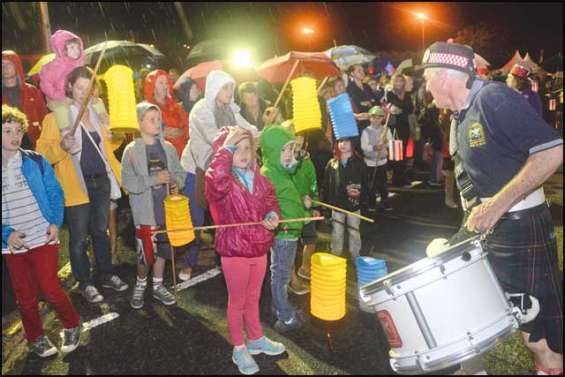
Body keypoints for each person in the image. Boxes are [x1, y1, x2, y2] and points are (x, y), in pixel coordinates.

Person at [421, 40, 563, 376]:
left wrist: (495, 207)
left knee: (539, 339)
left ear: (444, 76)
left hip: (519, 229)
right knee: (472, 317)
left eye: (427, 79)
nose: (426, 88)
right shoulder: (460, 115)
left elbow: (552, 151)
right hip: (488, 232)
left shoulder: (494, 99)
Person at [36, 66, 128, 304]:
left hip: (101, 181)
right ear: (69, 87)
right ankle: (84, 282)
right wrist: (62, 147)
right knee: (78, 238)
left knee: (100, 232)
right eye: (79, 88)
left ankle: (106, 274)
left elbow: (111, 147)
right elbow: (42, 153)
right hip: (76, 185)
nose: (83, 93)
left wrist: (114, 134)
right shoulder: (57, 117)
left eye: (88, 89)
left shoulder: (97, 113)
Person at [2, 105, 81, 357]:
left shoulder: (36, 160)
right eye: (7, 131)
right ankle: (35, 337)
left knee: (49, 288)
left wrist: (55, 222)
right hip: (11, 245)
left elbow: (55, 192)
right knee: (25, 296)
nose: (14, 136)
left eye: (18, 130)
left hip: (43, 235)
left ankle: (72, 323)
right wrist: (6, 233)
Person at [205, 126, 285, 375]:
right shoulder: (223, 181)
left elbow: (270, 200)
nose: (242, 153)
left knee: (253, 297)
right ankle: (238, 347)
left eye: (246, 148)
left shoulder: (258, 178)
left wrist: (272, 216)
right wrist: (226, 148)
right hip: (235, 251)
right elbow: (215, 178)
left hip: (259, 248)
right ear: (225, 152)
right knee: (237, 301)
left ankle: (256, 338)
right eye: (235, 149)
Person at [180, 70, 258, 279]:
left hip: (223, 169)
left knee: (224, 217)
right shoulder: (201, 110)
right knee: (195, 218)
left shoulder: (232, 109)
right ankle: (188, 262)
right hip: (197, 169)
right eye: (225, 87)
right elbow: (216, 138)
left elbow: (248, 128)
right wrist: (242, 136)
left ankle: (224, 258)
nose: (229, 91)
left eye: (231, 87)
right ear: (214, 88)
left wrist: (261, 130)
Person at [121, 102, 187, 308]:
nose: (157, 123)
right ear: (140, 123)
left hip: (166, 210)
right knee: (145, 253)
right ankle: (141, 283)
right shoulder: (131, 151)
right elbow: (128, 183)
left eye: (158, 119)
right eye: (151, 119)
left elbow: (179, 173)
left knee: (164, 250)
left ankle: (157, 285)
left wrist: (176, 182)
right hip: (145, 213)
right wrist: (154, 179)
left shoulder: (168, 148)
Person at [260, 124, 309, 333]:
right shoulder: (269, 174)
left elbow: (289, 199)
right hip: (284, 233)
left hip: (290, 230)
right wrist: (295, 219)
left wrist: (303, 216)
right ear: (272, 152)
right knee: (281, 275)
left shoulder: (278, 171)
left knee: (279, 272)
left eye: (291, 149)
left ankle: (278, 306)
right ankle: (284, 315)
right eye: (285, 150)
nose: (290, 155)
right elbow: (270, 205)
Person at [39, 30, 106, 132]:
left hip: (75, 96)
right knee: (61, 109)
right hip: (58, 98)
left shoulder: (80, 64)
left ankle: (106, 124)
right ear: (61, 49)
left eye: (78, 47)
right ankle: (66, 132)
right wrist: (58, 96)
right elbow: (45, 83)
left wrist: (93, 93)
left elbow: (88, 80)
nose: (77, 50)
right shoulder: (55, 66)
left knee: (98, 102)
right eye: (72, 48)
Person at [281, 120, 320, 291]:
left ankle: (305, 268)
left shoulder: (307, 161)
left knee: (310, 239)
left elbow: (313, 183)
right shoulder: (282, 162)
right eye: (294, 137)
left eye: (301, 138)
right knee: (289, 244)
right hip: (290, 209)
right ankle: (292, 279)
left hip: (306, 207)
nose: (298, 141)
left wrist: (315, 202)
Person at [321, 137, 366, 262]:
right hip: (337, 206)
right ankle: (335, 255)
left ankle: (355, 256)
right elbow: (326, 185)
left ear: (352, 143)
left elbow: (365, 184)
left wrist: (362, 200)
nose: (343, 144)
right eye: (340, 141)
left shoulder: (360, 163)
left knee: (354, 232)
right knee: (337, 233)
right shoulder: (332, 164)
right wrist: (325, 206)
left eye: (346, 141)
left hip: (354, 205)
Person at [2, 50, 48, 149]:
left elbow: (44, 117)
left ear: (17, 65)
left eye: (9, 64)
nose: (5, 68)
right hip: (6, 145)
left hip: (32, 141)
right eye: (2, 65)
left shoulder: (32, 91)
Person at [144, 69, 189, 158]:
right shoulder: (147, 108)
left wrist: (181, 132)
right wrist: (161, 133)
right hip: (160, 158)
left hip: (182, 156)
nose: (165, 86)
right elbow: (143, 134)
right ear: (152, 86)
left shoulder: (176, 107)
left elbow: (187, 126)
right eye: (161, 83)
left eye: (166, 82)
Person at [383, 74, 414, 187]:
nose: (399, 83)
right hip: (394, 125)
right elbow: (394, 105)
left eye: (401, 81)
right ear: (393, 82)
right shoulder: (390, 93)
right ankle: (396, 179)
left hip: (405, 125)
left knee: (404, 152)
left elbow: (410, 108)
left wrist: (401, 108)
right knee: (396, 153)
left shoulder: (407, 94)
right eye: (397, 81)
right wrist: (401, 107)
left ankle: (401, 177)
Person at [361, 105, 392, 213]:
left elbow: (390, 143)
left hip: (382, 161)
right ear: (370, 118)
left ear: (383, 118)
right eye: (373, 117)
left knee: (383, 184)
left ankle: (385, 201)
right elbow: (364, 147)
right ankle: (371, 203)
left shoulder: (386, 130)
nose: (376, 119)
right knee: (371, 184)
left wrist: (385, 143)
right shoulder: (366, 131)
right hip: (370, 162)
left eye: (379, 117)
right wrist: (374, 147)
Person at [418, 92, 444, 186]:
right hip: (436, 135)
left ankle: (436, 177)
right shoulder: (433, 108)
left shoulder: (428, 108)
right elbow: (432, 123)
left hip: (434, 136)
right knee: (437, 157)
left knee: (436, 157)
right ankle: (435, 178)